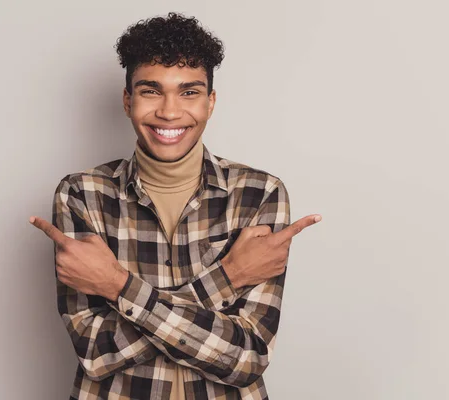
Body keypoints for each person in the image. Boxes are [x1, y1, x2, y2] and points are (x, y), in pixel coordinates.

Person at [30, 11, 322, 400]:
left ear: (210, 101)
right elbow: (97, 352)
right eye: (151, 91)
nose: (169, 111)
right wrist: (230, 277)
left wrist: (116, 286)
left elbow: (245, 358)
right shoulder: (82, 194)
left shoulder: (258, 193)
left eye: (189, 92)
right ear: (127, 99)